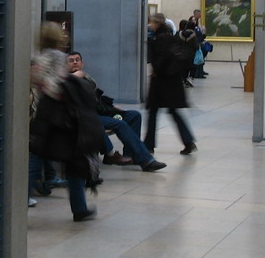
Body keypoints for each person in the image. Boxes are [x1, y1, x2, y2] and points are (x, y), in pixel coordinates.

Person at [29, 23, 106, 221]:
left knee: (36, 158)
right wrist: (75, 79)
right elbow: (58, 86)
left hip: (43, 114)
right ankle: (79, 208)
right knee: (74, 161)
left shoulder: (38, 58)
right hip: (62, 116)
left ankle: (19, 203)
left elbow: (36, 80)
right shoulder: (58, 57)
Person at [66, 52, 166, 172]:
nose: (75, 62)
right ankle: (146, 160)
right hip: (87, 117)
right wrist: (74, 77)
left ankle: (130, 155)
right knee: (119, 124)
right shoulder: (66, 80)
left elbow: (97, 98)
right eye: (71, 60)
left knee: (134, 115)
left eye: (77, 60)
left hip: (100, 111)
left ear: (82, 63)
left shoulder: (86, 78)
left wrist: (112, 107)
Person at [144, 13, 197, 155]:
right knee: (172, 111)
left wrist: (156, 70)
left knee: (153, 112)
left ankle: (149, 144)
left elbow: (161, 58)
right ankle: (188, 141)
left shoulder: (160, 38)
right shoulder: (168, 36)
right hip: (171, 81)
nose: (150, 25)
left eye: (152, 22)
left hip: (162, 82)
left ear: (157, 23)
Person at [177, 20, 200, 87]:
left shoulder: (180, 34)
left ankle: (183, 80)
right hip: (191, 55)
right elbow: (196, 46)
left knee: (183, 68)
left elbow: (177, 43)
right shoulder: (193, 36)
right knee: (191, 67)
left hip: (181, 53)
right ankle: (189, 79)